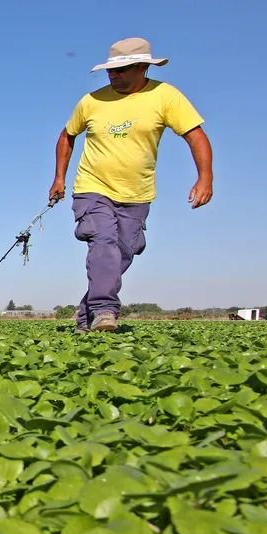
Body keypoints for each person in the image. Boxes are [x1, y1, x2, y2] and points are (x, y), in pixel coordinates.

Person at [49, 38, 213, 333]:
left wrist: (205, 177)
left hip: (137, 193)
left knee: (122, 253)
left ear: (142, 68)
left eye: (122, 70)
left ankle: (87, 317)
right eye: (111, 70)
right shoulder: (91, 101)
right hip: (92, 187)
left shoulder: (166, 96)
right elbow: (66, 135)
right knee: (103, 241)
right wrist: (59, 178)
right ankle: (104, 310)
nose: (114, 75)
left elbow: (195, 135)